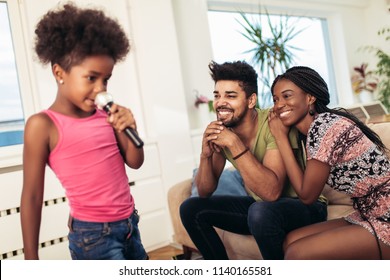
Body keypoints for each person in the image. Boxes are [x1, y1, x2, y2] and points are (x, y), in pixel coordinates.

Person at [20, 3, 147, 260]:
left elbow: (135, 162)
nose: (101, 89)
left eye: (106, 79)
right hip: (94, 237)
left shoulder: (108, 115)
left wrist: (129, 128)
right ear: (59, 72)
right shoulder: (42, 126)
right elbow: (32, 196)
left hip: (130, 225)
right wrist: (30, 259)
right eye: (91, 78)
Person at [180, 60, 327, 260]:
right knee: (191, 208)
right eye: (217, 95)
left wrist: (234, 144)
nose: (221, 102)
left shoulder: (275, 122)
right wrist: (205, 155)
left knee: (259, 211)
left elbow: (272, 192)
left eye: (231, 96)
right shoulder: (222, 132)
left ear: (251, 101)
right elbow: (205, 191)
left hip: (306, 207)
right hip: (264, 210)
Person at [269, 66, 390, 259]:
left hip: (386, 216)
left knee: (296, 253)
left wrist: (280, 137)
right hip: (369, 212)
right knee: (289, 240)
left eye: (287, 96)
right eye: (275, 99)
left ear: (310, 98)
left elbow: (307, 196)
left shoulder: (325, 126)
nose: (279, 105)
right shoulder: (313, 132)